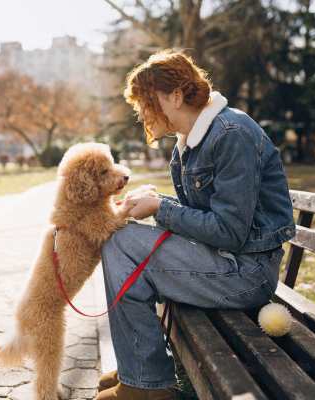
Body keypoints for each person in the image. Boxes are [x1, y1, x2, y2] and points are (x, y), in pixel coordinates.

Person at [95, 49, 295, 400]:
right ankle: (140, 368)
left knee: (121, 243)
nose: (141, 112)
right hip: (223, 260)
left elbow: (229, 232)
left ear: (175, 96)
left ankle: (146, 383)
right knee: (122, 237)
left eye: (146, 101)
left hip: (247, 274)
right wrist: (157, 202)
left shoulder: (232, 134)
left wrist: (161, 208)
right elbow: (202, 223)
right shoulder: (188, 144)